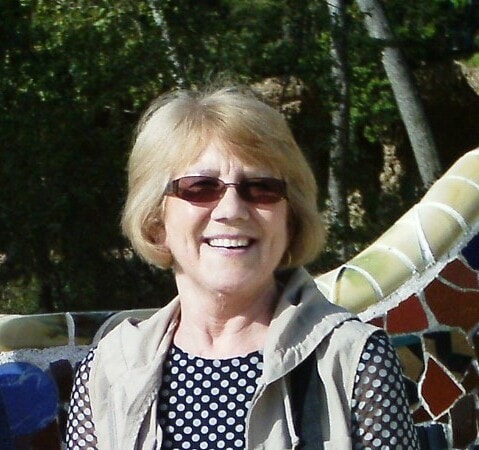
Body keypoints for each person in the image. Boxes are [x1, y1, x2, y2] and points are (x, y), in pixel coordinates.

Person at [66, 86, 419, 449]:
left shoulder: (354, 360)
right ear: (157, 222)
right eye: (200, 187)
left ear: (291, 219)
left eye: (261, 188)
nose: (232, 210)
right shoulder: (111, 368)